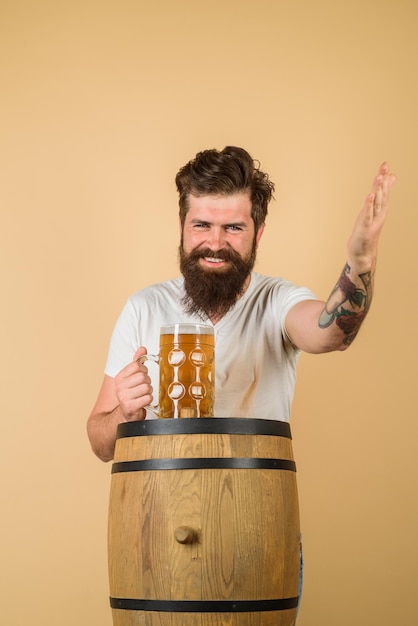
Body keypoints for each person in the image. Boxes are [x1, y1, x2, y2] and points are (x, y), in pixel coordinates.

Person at [87, 146, 395, 463]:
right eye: (201, 225)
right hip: (159, 501)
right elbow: (100, 444)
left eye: (233, 228)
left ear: (258, 235)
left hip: (254, 498)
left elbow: (332, 333)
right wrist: (124, 415)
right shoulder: (144, 307)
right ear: (181, 229)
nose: (216, 243)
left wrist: (360, 262)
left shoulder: (277, 301)